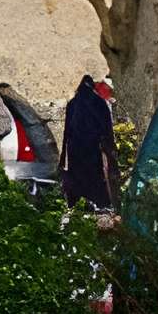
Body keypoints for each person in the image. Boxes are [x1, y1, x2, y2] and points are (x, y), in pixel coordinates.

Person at [61, 74, 119, 211]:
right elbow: (107, 128)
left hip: (75, 147)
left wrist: (63, 156)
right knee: (94, 176)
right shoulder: (99, 103)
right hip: (92, 147)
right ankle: (97, 203)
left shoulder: (73, 104)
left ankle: (78, 203)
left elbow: (66, 132)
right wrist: (110, 149)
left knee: (78, 176)